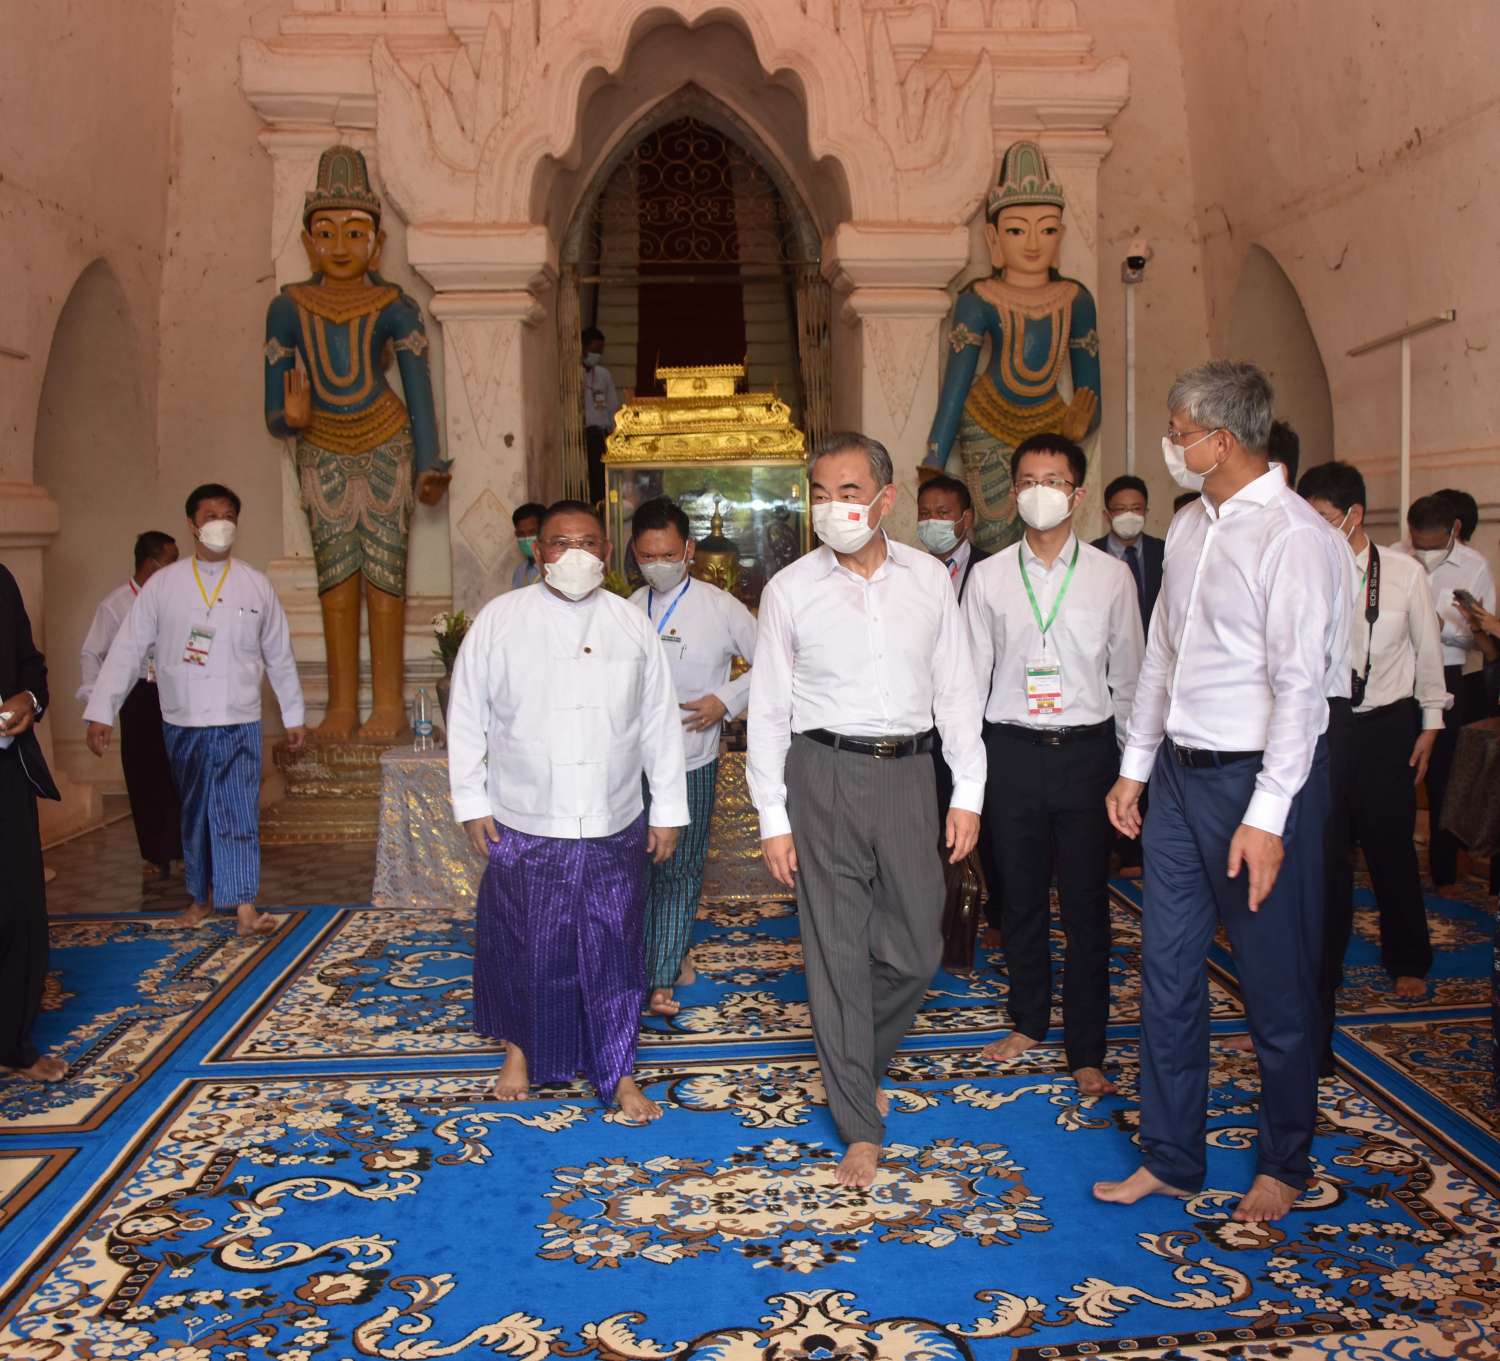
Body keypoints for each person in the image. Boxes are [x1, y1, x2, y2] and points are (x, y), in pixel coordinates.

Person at [1094, 360, 1346, 1225]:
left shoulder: (1294, 537)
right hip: (1178, 777)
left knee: (1275, 982)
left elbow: (1301, 690)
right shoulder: (1190, 523)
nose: (1171, 444)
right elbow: (1163, 653)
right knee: (1166, 973)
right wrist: (1135, 765)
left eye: (1180, 432)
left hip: (1259, 782)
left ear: (1224, 439)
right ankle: (1171, 1156)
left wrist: (1267, 817)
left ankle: (1283, 1161)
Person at [748, 432, 985, 1188]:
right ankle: (859, 1121)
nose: (832, 507)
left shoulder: (928, 579)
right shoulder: (790, 589)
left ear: (886, 499)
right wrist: (773, 816)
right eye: (819, 493)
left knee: (917, 949)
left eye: (847, 492)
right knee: (838, 952)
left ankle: (852, 1059)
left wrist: (968, 792)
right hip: (822, 772)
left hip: (911, 772)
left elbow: (957, 691)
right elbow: (766, 709)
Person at [448, 499, 688, 1123]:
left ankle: (620, 1070)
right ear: (539, 552)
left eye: (587, 543)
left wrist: (667, 809)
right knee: (526, 942)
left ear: (607, 553)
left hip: (614, 817)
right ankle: (519, 1050)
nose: (574, 554)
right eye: (560, 543)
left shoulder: (630, 623)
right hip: (525, 817)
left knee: (615, 944)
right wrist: (471, 802)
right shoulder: (500, 620)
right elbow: (467, 715)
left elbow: (659, 723)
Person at [965, 433, 1143, 1096]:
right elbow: (968, 682)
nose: (1041, 492)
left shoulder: (1109, 576)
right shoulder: (988, 577)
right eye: (1030, 481)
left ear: (1078, 493)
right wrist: (968, 777)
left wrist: (1131, 774)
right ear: (1014, 493)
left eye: (1055, 480)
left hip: (1088, 755)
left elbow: (1129, 678)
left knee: (1087, 903)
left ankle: (1086, 1046)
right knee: (1019, 898)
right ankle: (1029, 1018)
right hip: (1011, 751)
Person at [84, 484, 307, 937]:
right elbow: (127, 649)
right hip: (183, 719)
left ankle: (244, 905)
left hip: (239, 718)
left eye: (228, 516)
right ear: (192, 525)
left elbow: (279, 654)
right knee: (195, 812)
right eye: (210, 516)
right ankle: (201, 897)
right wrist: (101, 711)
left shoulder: (255, 584)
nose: (220, 524)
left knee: (239, 812)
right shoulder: (164, 585)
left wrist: (294, 715)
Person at [1299, 462, 1448, 1045]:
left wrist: (1430, 724)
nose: (1313, 528)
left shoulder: (1404, 573)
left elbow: (1428, 652)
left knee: (1391, 847)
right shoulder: (1305, 569)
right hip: (1326, 724)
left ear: (1354, 515)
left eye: (1323, 517)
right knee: (1326, 852)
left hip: (1387, 726)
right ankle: (1324, 967)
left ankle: (1408, 958)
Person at [628, 497, 757, 1017]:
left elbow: (775, 662)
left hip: (691, 759)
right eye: (647, 556)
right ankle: (662, 958)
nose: (657, 565)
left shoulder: (721, 607)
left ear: (689, 549)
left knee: (678, 867)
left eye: (667, 554)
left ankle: (660, 980)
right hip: (629, 765)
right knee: (637, 868)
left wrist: (725, 700)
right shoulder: (627, 608)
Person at [1391, 493, 1498, 889]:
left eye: (1433, 546)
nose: (1425, 552)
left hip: (1450, 675)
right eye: (1418, 544)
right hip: (1400, 676)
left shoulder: (1474, 566)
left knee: (1444, 777)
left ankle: (1444, 872)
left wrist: (1439, 628)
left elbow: (1482, 638)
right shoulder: (1393, 557)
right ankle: (1395, 860)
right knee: (1397, 771)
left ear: (1453, 530)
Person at [916, 473, 1000, 940]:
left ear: (965, 519)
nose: (932, 521)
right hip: (923, 721)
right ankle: (934, 916)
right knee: (929, 820)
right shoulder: (908, 572)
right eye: (924, 514)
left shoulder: (993, 570)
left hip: (983, 719)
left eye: (942, 513)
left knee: (985, 821)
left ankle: (996, 914)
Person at [78, 532, 183, 879]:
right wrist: (97, 707)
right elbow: (92, 654)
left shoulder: (177, 598)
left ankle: (182, 848)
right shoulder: (116, 605)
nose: (177, 568)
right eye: (171, 561)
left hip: (175, 689)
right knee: (143, 772)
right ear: (151, 564)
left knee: (179, 769)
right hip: (138, 694)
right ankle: (154, 853)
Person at [0, 564, 65, 1083]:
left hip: (5, 767)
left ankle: (12, 1044)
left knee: (18, 905)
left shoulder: (1, 580)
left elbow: (30, 663)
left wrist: (30, 699)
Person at [1093, 474, 1164, 634]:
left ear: (1146, 512)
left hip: (1153, 645)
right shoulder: (1091, 554)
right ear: (1107, 515)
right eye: (1121, 509)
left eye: (1136, 508)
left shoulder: (1163, 552)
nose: (1129, 515)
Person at [581, 328, 621, 505]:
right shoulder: (571, 374)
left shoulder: (603, 375)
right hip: (582, 435)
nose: (597, 356)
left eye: (600, 352)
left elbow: (612, 406)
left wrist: (614, 436)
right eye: (594, 351)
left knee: (601, 482)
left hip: (601, 435)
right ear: (583, 348)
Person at [510, 502, 545, 590]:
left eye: (532, 532)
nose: (526, 538)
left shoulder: (557, 569)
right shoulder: (519, 571)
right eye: (521, 533)